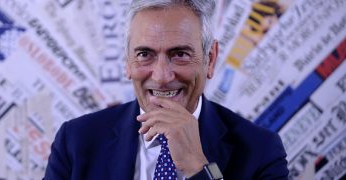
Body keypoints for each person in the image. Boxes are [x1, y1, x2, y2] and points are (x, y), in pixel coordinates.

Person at [44, 0, 289, 179]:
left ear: (210, 60)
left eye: (180, 54)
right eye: (144, 54)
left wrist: (198, 167)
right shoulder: (75, 141)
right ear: (127, 62)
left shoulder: (262, 151)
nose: (161, 77)